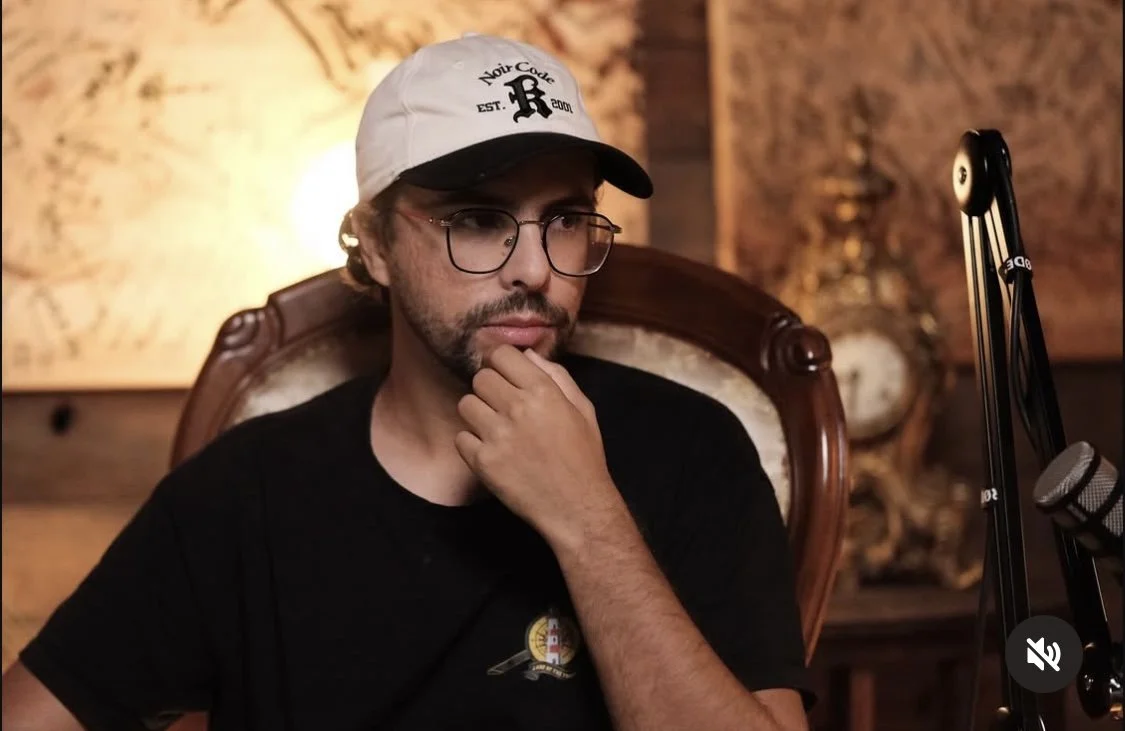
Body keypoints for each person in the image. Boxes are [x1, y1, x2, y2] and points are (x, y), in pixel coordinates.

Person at [2, 32, 813, 731]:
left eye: (566, 218)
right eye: (478, 219)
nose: (535, 268)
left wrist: (586, 519)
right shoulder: (243, 493)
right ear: (376, 244)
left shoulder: (691, 449)